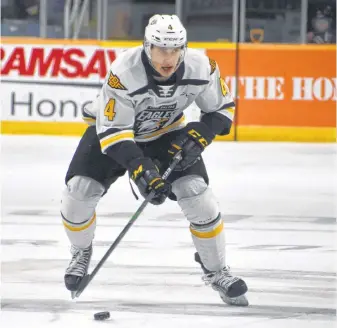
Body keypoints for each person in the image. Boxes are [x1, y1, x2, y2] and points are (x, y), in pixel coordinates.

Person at [61, 14, 248, 306]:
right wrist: (141, 170)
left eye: (175, 49)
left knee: (197, 195)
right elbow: (113, 133)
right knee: (78, 195)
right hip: (116, 134)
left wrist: (202, 133)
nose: (168, 57)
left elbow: (223, 109)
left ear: (184, 48)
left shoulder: (203, 66)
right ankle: (81, 251)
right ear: (147, 47)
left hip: (167, 132)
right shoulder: (123, 71)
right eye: (161, 49)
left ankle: (217, 271)